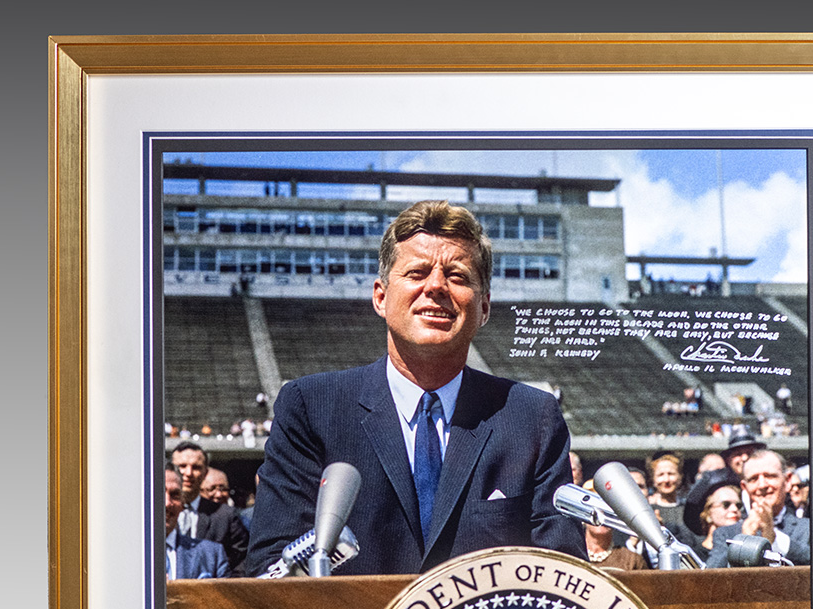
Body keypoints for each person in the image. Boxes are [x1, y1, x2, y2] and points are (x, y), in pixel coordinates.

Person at [244, 200, 584, 576]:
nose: (436, 286)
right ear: (380, 297)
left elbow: (562, 572)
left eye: (457, 276)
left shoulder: (530, 417)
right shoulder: (311, 407)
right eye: (417, 272)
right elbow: (271, 566)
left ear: (484, 308)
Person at [705, 449, 811, 568]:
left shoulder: (808, 528)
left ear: (787, 481)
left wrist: (775, 539)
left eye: (770, 476)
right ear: (744, 487)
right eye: (753, 479)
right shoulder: (725, 534)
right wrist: (744, 541)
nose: (762, 485)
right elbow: (711, 577)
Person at [170, 441, 249, 575]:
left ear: (205, 472)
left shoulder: (225, 516)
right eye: (182, 466)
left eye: (196, 467)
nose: (188, 473)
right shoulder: (156, 513)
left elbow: (242, 564)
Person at [163, 466, 230, 580]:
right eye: (158, 494)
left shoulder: (211, 555)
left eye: (175, 495)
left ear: (183, 504)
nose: (167, 503)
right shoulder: (124, 552)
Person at [681, 468, 744, 561]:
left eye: (738, 505)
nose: (735, 509)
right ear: (708, 513)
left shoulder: (743, 553)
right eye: (726, 504)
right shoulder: (693, 556)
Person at [584, 521, 649, 571]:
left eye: (607, 515)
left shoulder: (631, 560)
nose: (601, 519)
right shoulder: (574, 553)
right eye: (596, 514)